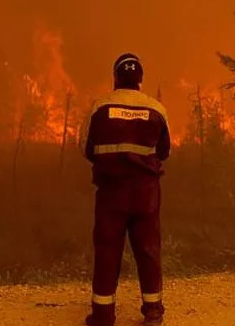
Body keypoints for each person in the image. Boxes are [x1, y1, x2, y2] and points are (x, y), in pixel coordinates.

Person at [81, 53, 171, 326]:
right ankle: (153, 312)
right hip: (146, 194)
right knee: (149, 250)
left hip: (112, 193)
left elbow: (88, 150)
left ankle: (103, 316)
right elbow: (164, 152)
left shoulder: (100, 108)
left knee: (107, 250)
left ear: (116, 78)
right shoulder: (157, 109)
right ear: (140, 80)